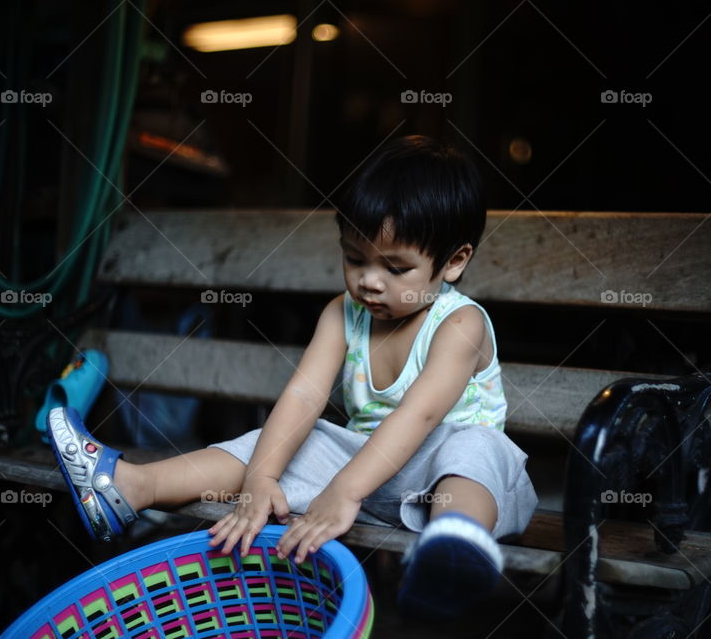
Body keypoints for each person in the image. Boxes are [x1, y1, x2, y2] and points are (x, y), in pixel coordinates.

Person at [48, 134, 538, 619]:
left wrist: (344, 491)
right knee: (278, 442)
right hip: (364, 469)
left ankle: (453, 546)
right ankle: (131, 488)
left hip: (449, 484)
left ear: (453, 262)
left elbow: (421, 414)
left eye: (395, 267)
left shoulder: (460, 323)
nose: (369, 279)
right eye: (355, 258)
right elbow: (304, 397)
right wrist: (262, 477)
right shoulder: (341, 314)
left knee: (475, 448)